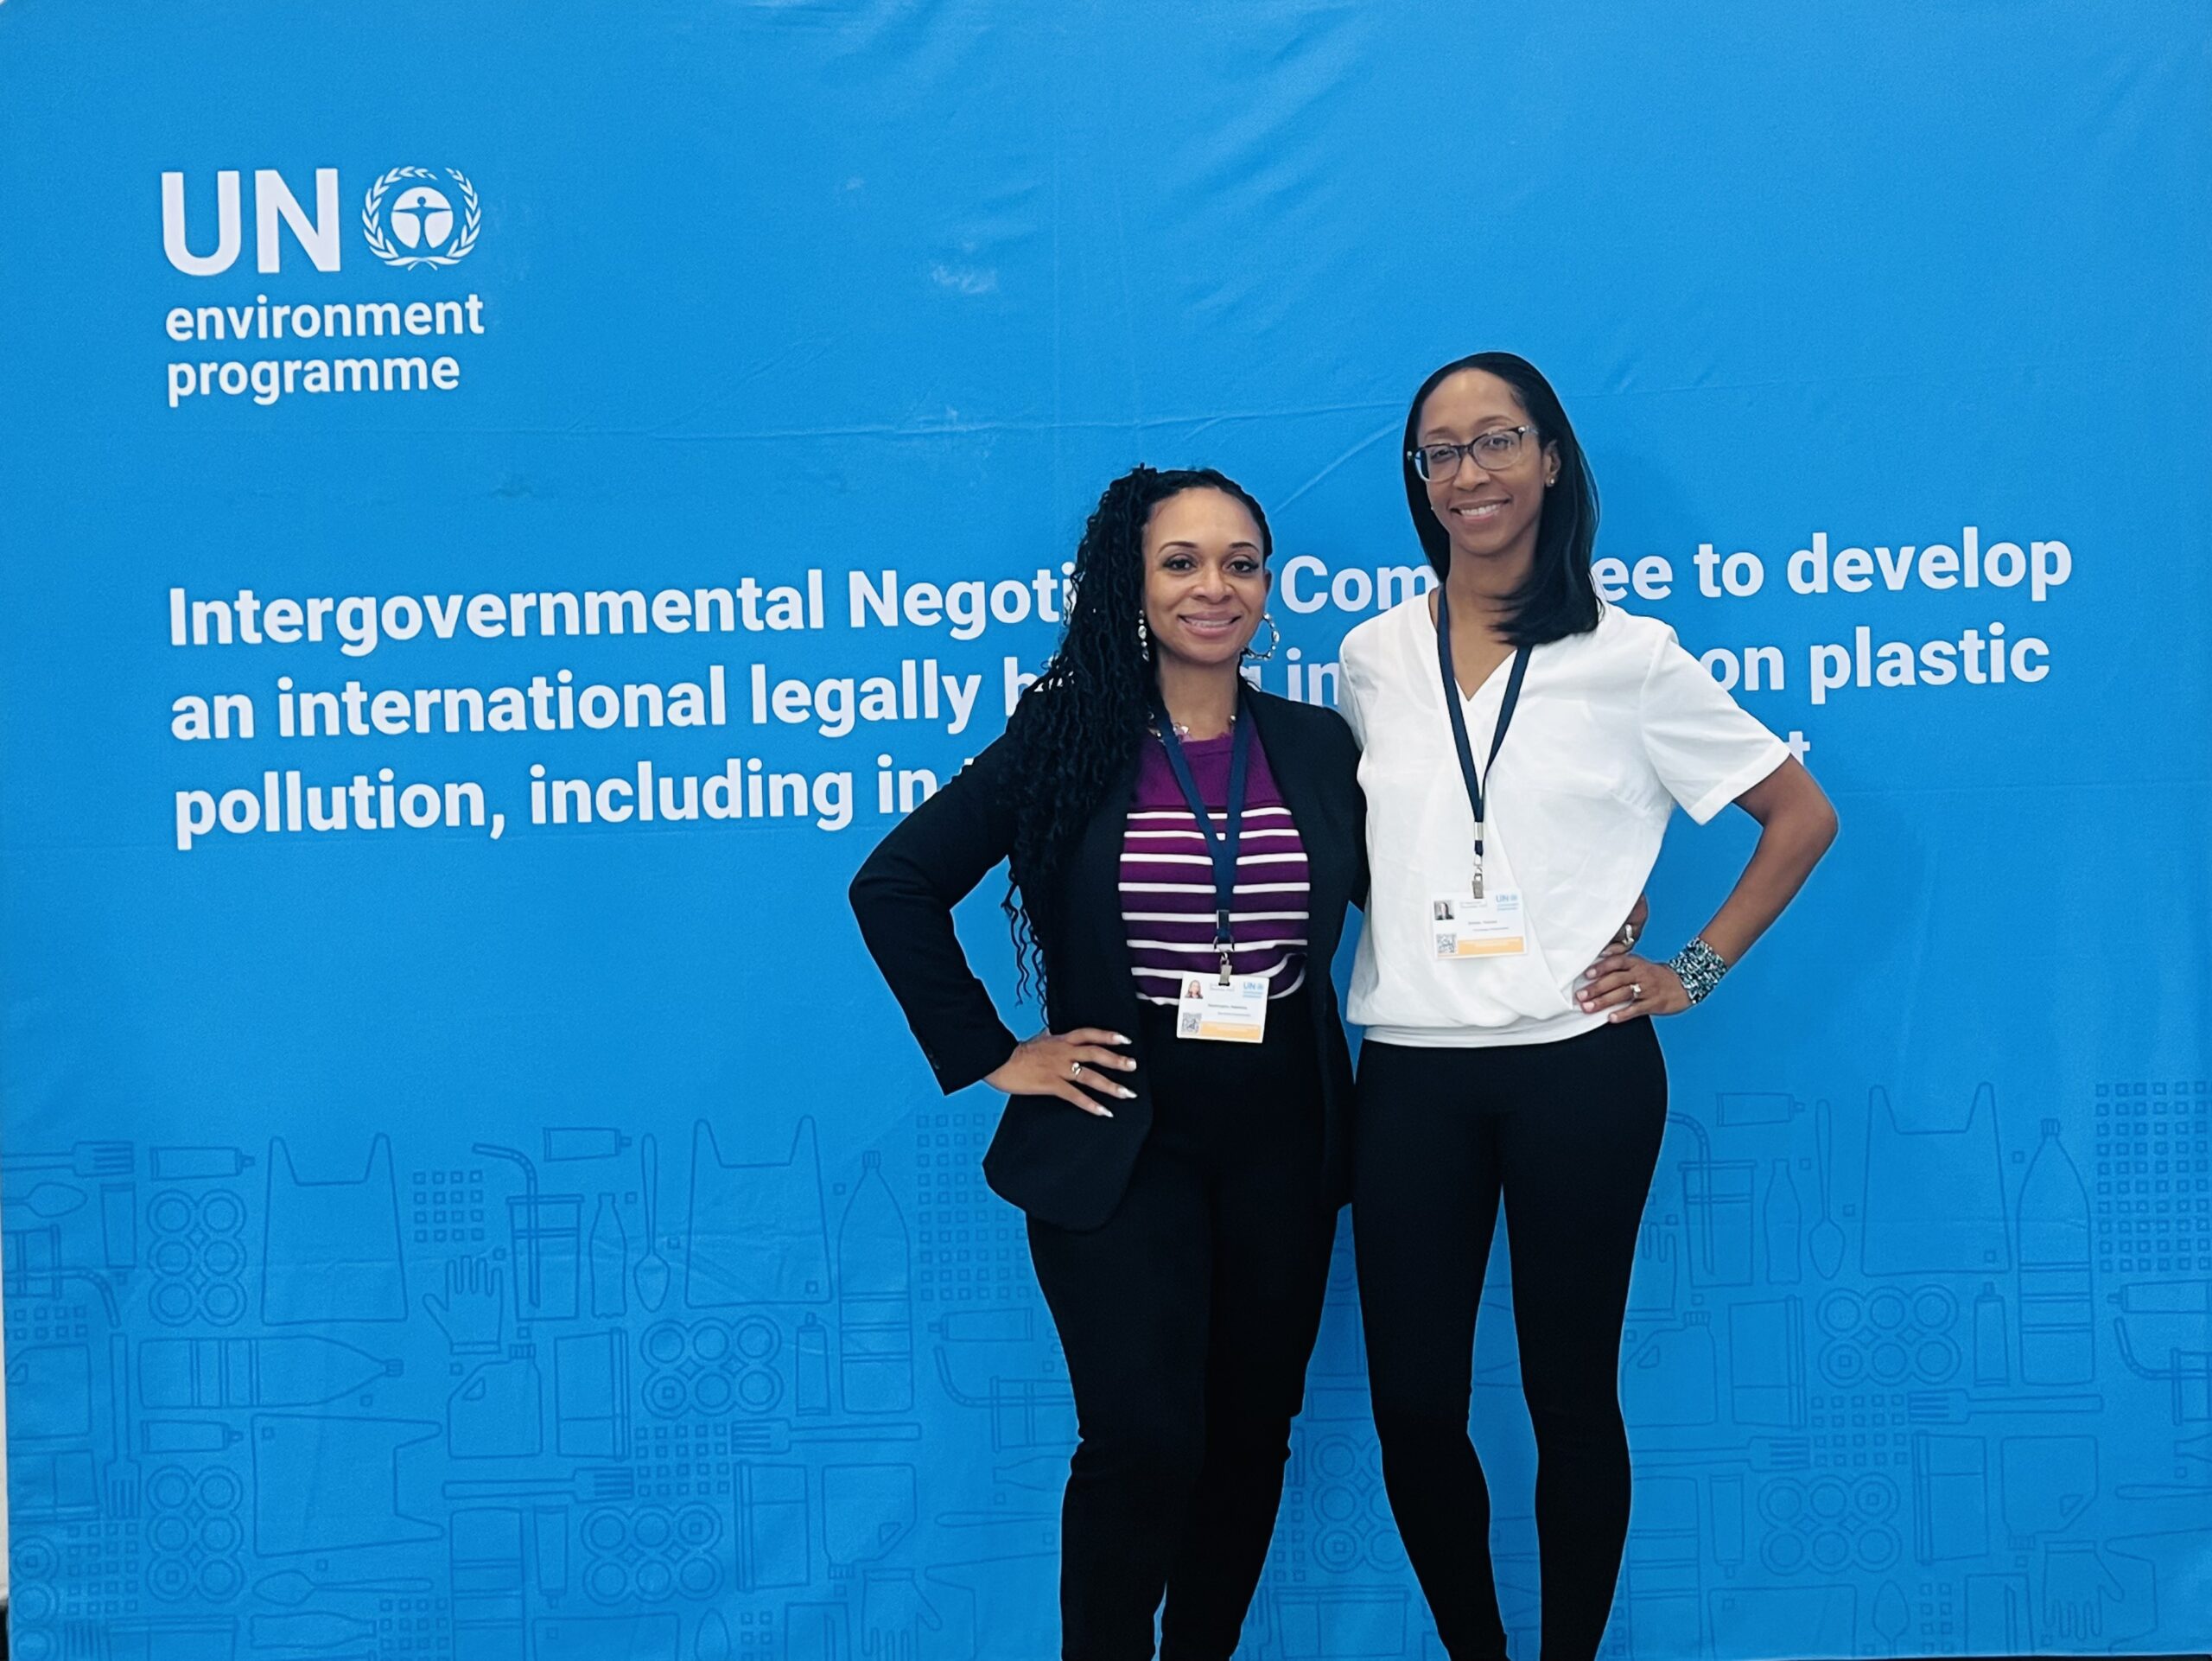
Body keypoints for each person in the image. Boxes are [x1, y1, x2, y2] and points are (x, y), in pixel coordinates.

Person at [1339, 353, 1839, 1661]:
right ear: (1419, 480)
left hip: (1579, 1073)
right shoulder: (1370, 658)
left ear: (1553, 459)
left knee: (1569, 1398)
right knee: (1414, 1408)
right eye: (1441, 451)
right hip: (1410, 1076)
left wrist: (1692, 970)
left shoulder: (1634, 659)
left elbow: (1800, 816)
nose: (1470, 472)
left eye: (1497, 439)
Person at [849, 466, 1366, 1661]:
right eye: (1181, 561)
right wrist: (995, 1054)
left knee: (1251, 1435)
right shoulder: (1069, 737)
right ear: (1128, 584)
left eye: (1240, 562)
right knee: (1143, 1439)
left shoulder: (1314, 744)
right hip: (1123, 1135)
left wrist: (1594, 910)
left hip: (1284, 1132)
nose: (1214, 586)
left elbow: (1436, 879)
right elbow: (895, 884)